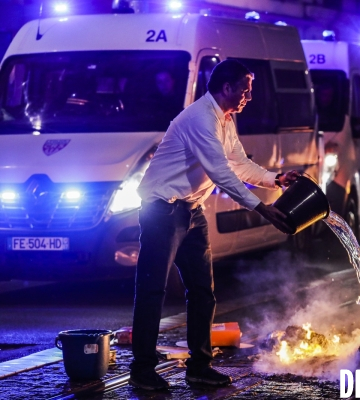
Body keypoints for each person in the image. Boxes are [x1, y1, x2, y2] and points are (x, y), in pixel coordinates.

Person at [129, 59, 299, 391]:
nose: (249, 95)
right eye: (245, 89)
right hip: (161, 210)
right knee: (152, 291)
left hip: (190, 210)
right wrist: (260, 208)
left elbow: (238, 164)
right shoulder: (200, 119)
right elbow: (221, 172)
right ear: (226, 88)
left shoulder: (224, 119)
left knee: (203, 293)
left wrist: (275, 180)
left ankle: (200, 367)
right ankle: (142, 370)